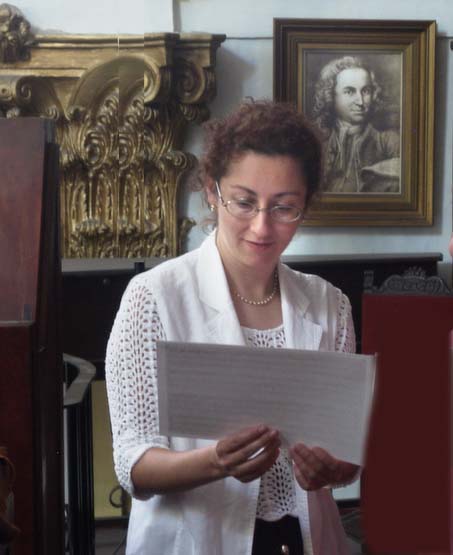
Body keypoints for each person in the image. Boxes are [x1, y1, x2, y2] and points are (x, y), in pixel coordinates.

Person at [105, 99, 359, 555]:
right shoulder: (154, 298)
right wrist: (215, 462)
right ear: (211, 190)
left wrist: (335, 470)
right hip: (195, 539)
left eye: (284, 207)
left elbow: (346, 459)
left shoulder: (330, 304)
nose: (262, 227)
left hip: (304, 540)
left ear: (305, 205)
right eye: (244, 202)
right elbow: (133, 464)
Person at [312, 56, 400, 194]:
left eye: (366, 91)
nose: (360, 101)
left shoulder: (388, 141)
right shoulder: (318, 141)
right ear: (331, 96)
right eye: (349, 91)